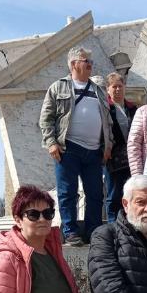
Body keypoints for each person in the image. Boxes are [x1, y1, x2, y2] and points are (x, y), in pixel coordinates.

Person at [39, 46, 113, 246]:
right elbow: (46, 119)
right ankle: (70, 231)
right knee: (68, 192)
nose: (90, 64)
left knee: (96, 194)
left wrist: (108, 146)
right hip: (68, 148)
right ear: (73, 64)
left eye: (90, 61)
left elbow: (108, 121)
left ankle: (94, 231)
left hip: (94, 151)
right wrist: (51, 143)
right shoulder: (58, 87)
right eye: (85, 60)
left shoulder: (98, 90)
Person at [104, 72, 137, 223]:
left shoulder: (132, 108)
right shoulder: (105, 108)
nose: (117, 89)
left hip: (130, 158)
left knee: (130, 192)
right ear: (108, 89)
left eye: (120, 86)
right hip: (113, 157)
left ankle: (128, 222)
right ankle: (112, 224)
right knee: (113, 194)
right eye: (114, 86)